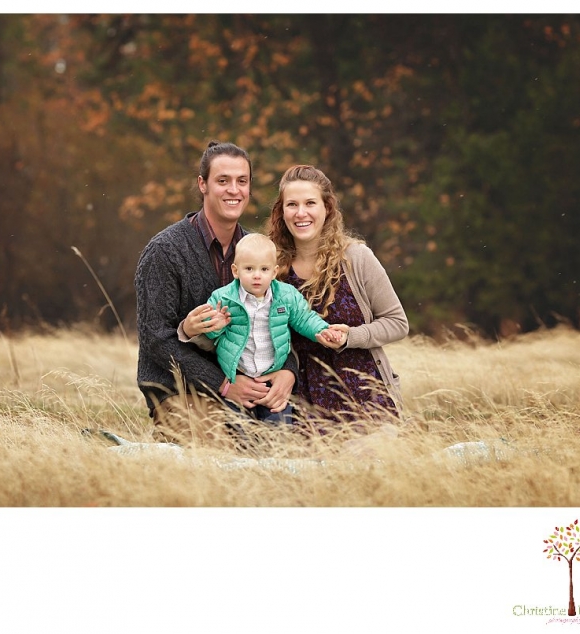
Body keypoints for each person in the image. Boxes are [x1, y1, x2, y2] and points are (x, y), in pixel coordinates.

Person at [134, 141, 297, 444]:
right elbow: (157, 339)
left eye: (242, 181)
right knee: (217, 454)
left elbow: (282, 319)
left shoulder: (257, 250)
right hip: (181, 391)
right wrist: (223, 385)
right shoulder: (165, 251)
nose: (233, 190)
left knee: (291, 448)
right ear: (203, 184)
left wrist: (288, 371)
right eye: (223, 181)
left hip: (252, 387)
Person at [267, 164, 409, 426]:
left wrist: (352, 337)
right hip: (300, 404)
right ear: (281, 211)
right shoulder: (271, 268)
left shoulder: (356, 258)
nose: (301, 213)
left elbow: (398, 323)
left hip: (367, 398)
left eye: (310, 203)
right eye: (292, 205)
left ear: (327, 208)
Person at [180, 233, 345, 425]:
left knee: (279, 424)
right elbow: (211, 334)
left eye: (264, 269)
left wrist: (321, 331)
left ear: (274, 272)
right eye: (249, 269)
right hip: (238, 374)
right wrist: (216, 327)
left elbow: (304, 318)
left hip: (272, 373)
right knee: (238, 426)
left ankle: (275, 447)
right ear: (236, 271)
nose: (257, 275)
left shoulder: (286, 296)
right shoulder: (223, 298)